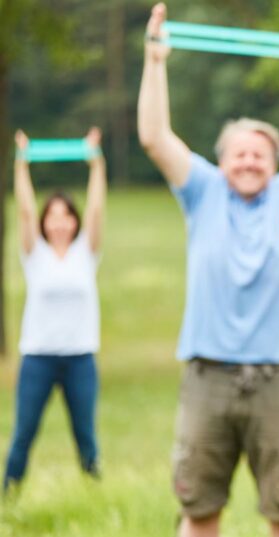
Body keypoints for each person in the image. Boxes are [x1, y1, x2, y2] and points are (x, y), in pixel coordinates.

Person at [137, 4, 279, 536]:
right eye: (239, 155)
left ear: (278, 161)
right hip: (207, 377)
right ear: (221, 162)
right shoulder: (201, 190)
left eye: (260, 155)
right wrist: (155, 61)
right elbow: (154, 137)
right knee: (199, 513)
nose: (248, 163)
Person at [3, 128, 106, 494]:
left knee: (86, 435)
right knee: (24, 433)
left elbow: (97, 206)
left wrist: (95, 161)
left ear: (75, 220)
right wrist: (22, 161)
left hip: (80, 358)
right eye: (53, 216)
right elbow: (26, 208)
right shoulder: (35, 254)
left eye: (66, 215)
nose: (59, 222)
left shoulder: (86, 252)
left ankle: (95, 495)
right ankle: (8, 494)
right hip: (38, 358)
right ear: (45, 222)